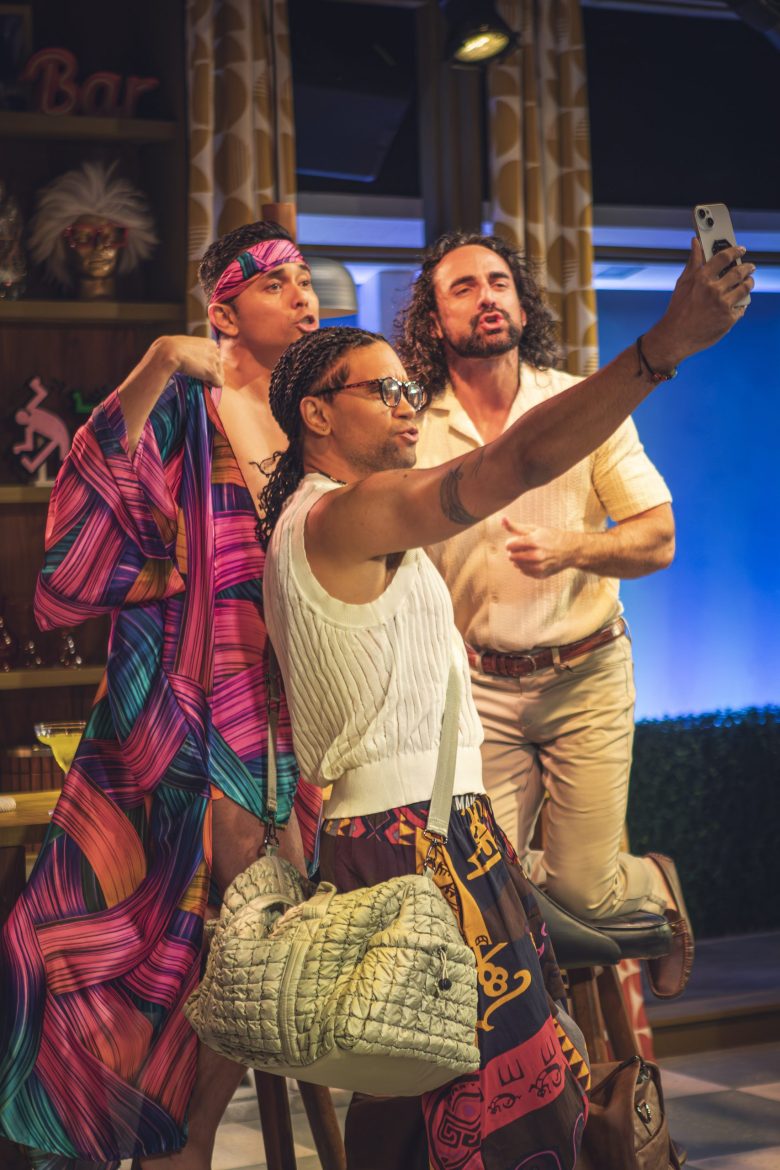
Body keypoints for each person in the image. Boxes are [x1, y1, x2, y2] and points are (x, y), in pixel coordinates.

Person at [257, 239, 751, 1169]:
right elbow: (517, 458)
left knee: (463, 1092)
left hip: (437, 824)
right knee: (478, 1101)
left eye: (408, 389)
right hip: (412, 842)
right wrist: (664, 347)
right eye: (381, 390)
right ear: (316, 413)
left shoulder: (329, 511)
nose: (406, 404)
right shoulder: (342, 513)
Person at [0, 221, 322, 1170]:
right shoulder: (189, 409)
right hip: (182, 709)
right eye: (276, 283)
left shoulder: (316, 419)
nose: (302, 296)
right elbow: (87, 504)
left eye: (307, 279)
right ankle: (151, 1136)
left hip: (292, 709)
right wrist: (156, 362)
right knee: (160, 940)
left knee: (253, 946)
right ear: (225, 307)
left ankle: (186, 1141)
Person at [398, 231, 688, 983]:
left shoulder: (582, 407)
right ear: (433, 321)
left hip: (584, 676)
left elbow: (658, 540)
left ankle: (652, 884)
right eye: (463, 288)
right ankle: (543, 1033)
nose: (486, 297)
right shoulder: (414, 430)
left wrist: (573, 549)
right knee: (481, 890)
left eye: (499, 283)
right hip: (478, 688)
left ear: (522, 306)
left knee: (582, 891)